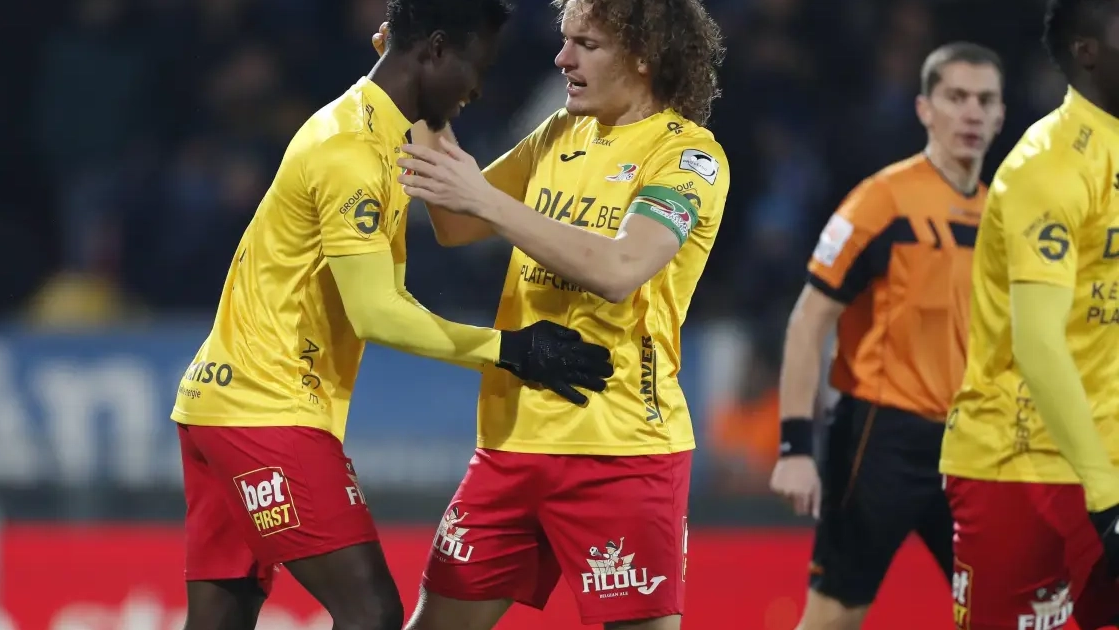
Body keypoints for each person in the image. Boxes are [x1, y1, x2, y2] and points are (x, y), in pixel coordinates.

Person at [168, 2, 615, 630]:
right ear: (435, 49)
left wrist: (399, 54)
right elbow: (378, 313)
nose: (478, 88)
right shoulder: (351, 151)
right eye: (476, 66)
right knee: (372, 612)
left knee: (224, 617)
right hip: (265, 410)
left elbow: (444, 184)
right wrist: (513, 351)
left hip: (217, 405)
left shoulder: (372, 125)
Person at [385, 0, 726, 628]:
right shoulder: (558, 134)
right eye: (565, 40)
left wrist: (489, 201)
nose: (562, 58)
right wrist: (421, 95)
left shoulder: (687, 157)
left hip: (619, 450)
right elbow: (457, 221)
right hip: (510, 444)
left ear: (644, 56)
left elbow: (621, 268)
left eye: (586, 45)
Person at [768, 42, 1005, 630]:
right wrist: (795, 448)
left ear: (1001, 115)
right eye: (956, 97)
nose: (971, 113)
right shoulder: (882, 201)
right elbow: (808, 320)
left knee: (998, 610)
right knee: (835, 617)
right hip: (880, 439)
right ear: (924, 109)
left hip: (971, 446)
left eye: (985, 100)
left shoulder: (1002, 214)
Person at [939, 1, 1119, 628]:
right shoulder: (1049, 165)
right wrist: (1106, 497)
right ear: (1086, 51)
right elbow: (1039, 345)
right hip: (1025, 466)